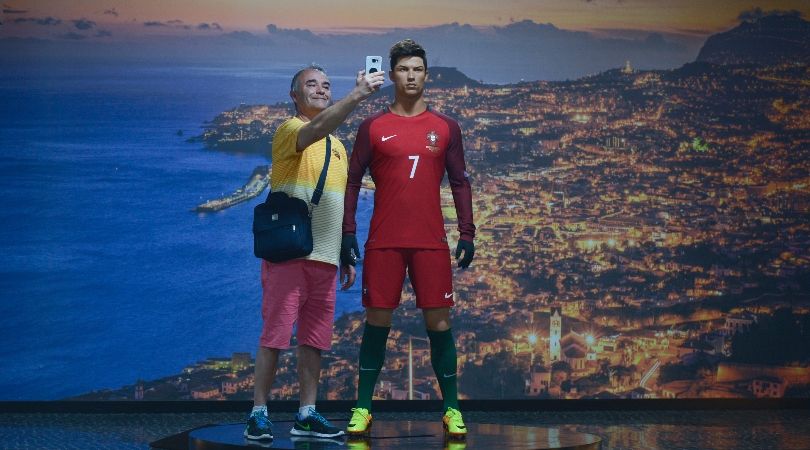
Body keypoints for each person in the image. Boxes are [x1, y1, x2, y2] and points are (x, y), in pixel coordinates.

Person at [341, 39, 476, 440]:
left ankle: (451, 409)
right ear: (392, 75)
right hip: (384, 240)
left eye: (417, 69)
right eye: (403, 69)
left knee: (439, 322)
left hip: (430, 241)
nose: (411, 75)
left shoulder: (445, 127)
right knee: (376, 321)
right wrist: (348, 231)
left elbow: (460, 182)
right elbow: (351, 183)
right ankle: (363, 407)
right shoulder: (373, 127)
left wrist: (467, 232)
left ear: (426, 76)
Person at [245, 64, 385, 441]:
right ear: (295, 95)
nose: (321, 90)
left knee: (314, 339)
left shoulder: (338, 148)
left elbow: (334, 204)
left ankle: (307, 412)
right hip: (288, 254)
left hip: (323, 257)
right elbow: (315, 129)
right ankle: (258, 411)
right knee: (275, 334)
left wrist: (345, 252)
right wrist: (357, 94)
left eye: (326, 85)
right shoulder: (289, 130)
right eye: (312, 85)